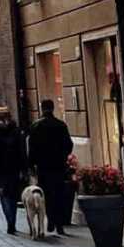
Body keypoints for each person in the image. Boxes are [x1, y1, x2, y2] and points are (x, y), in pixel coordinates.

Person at [27, 98, 74, 235]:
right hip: (58, 165)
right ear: (53, 108)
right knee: (59, 194)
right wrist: (63, 156)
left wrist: (31, 165)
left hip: (43, 166)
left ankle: (51, 219)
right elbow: (68, 145)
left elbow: (32, 148)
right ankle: (59, 224)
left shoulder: (36, 126)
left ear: (42, 108)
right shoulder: (60, 125)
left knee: (46, 194)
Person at [0, 106, 27, 234]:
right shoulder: (15, 130)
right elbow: (22, 151)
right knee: (13, 197)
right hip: (13, 168)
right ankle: (12, 222)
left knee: (4, 196)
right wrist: (24, 168)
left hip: (0, 169)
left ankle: (10, 221)